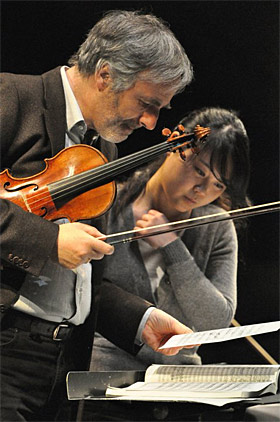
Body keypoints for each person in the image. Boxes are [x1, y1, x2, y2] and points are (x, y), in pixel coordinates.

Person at [0, 10, 195, 421]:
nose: (150, 122)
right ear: (105, 75)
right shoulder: (10, 98)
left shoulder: (103, 150)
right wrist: (48, 241)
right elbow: (53, 248)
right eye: (147, 103)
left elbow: (83, 278)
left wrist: (139, 318)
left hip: (63, 366)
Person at [90, 106, 251, 371]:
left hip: (181, 381)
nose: (202, 190)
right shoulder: (105, 204)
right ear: (174, 143)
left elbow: (216, 322)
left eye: (218, 185)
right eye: (199, 171)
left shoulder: (216, 226)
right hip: (101, 378)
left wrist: (171, 246)